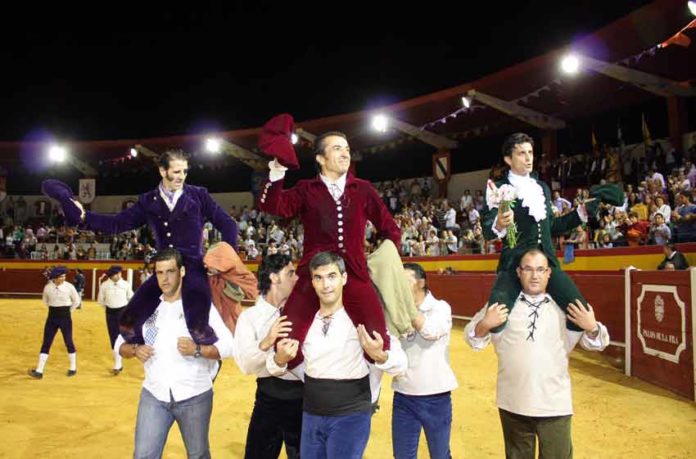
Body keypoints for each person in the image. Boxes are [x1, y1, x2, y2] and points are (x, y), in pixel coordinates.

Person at [42, 149, 238, 346]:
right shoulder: (147, 201)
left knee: (198, 329)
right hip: (163, 270)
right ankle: (157, 358)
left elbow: (228, 224)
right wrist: (85, 218)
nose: (182, 177)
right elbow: (117, 224)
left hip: (194, 267)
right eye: (177, 172)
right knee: (127, 325)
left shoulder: (199, 195)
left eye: (185, 171)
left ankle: (210, 368)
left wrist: (225, 260)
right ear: (163, 171)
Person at [257, 119, 400, 366]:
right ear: (321, 159)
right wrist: (278, 169)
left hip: (354, 273)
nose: (345, 152)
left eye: (346, 148)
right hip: (313, 275)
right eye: (337, 148)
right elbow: (274, 205)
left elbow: (390, 229)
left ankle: (367, 394)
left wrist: (384, 258)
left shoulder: (362, 189)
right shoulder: (306, 189)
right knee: (287, 343)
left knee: (378, 342)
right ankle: (306, 387)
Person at [465, 249, 610, 458]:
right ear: (518, 272)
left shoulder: (564, 306)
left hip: (554, 404)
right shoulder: (502, 304)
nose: (535, 276)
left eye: (540, 269)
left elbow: (597, 343)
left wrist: (592, 327)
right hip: (513, 402)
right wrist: (485, 324)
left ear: (549, 273)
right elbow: (473, 340)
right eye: (528, 269)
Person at [267, 252, 407, 458]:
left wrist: (381, 356)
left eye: (332, 276)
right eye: (319, 278)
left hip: (351, 416)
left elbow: (401, 364)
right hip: (311, 414)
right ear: (312, 283)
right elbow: (275, 365)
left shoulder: (361, 319)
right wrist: (279, 359)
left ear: (344, 278)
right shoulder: (304, 323)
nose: (326, 285)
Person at [482, 132, 621, 332]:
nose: (529, 158)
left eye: (530, 152)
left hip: (546, 262)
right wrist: (500, 223)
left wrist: (581, 212)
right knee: (496, 324)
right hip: (514, 263)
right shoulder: (499, 187)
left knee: (579, 315)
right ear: (508, 159)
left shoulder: (542, 188)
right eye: (521, 153)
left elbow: (552, 227)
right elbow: (488, 230)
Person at [115, 248, 234, 459]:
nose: (165, 278)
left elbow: (228, 347)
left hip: (194, 395)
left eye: (170, 271)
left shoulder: (200, 306)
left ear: (182, 271)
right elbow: (119, 345)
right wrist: (134, 350)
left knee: (198, 455)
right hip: (154, 394)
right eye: (159, 273)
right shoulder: (147, 307)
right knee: (143, 456)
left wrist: (197, 350)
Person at [234, 254, 302, 459]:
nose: (296, 278)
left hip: (304, 400)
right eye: (290, 273)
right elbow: (246, 365)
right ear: (274, 278)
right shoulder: (249, 318)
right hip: (268, 399)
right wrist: (267, 340)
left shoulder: (304, 313)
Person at [391, 263, 458, 459]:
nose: (399, 287)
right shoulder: (397, 312)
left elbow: (430, 331)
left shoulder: (440, 307)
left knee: (440, 455)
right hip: (404, 394)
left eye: (405, 282)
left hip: (436, 396)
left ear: (421, 283)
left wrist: (406, 308)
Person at [28, 266, 81, 379]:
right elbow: (45, 301)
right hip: (52, 317)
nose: (63, 278)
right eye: (61, 276)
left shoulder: (69, 287)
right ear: (55, 278)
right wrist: (56, 310)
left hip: (65, 317)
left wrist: (68, 311)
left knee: (68, 341)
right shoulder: (48, 288)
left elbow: (76, 301)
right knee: (46, 342)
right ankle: (39, 371)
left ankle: (73, 367)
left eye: (64, 276)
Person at [97, 265, 134, 374]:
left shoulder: (126, 284)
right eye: (117, 274)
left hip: (123, 312)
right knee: (113, 337)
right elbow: (101, 301)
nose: (119, 275)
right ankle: (118, 364)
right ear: (111, 276)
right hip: (110, 313)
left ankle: (119, 363)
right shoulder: (104, 285)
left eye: (119, 273)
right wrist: (110, 307)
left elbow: (131, 298)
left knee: (122, 336)